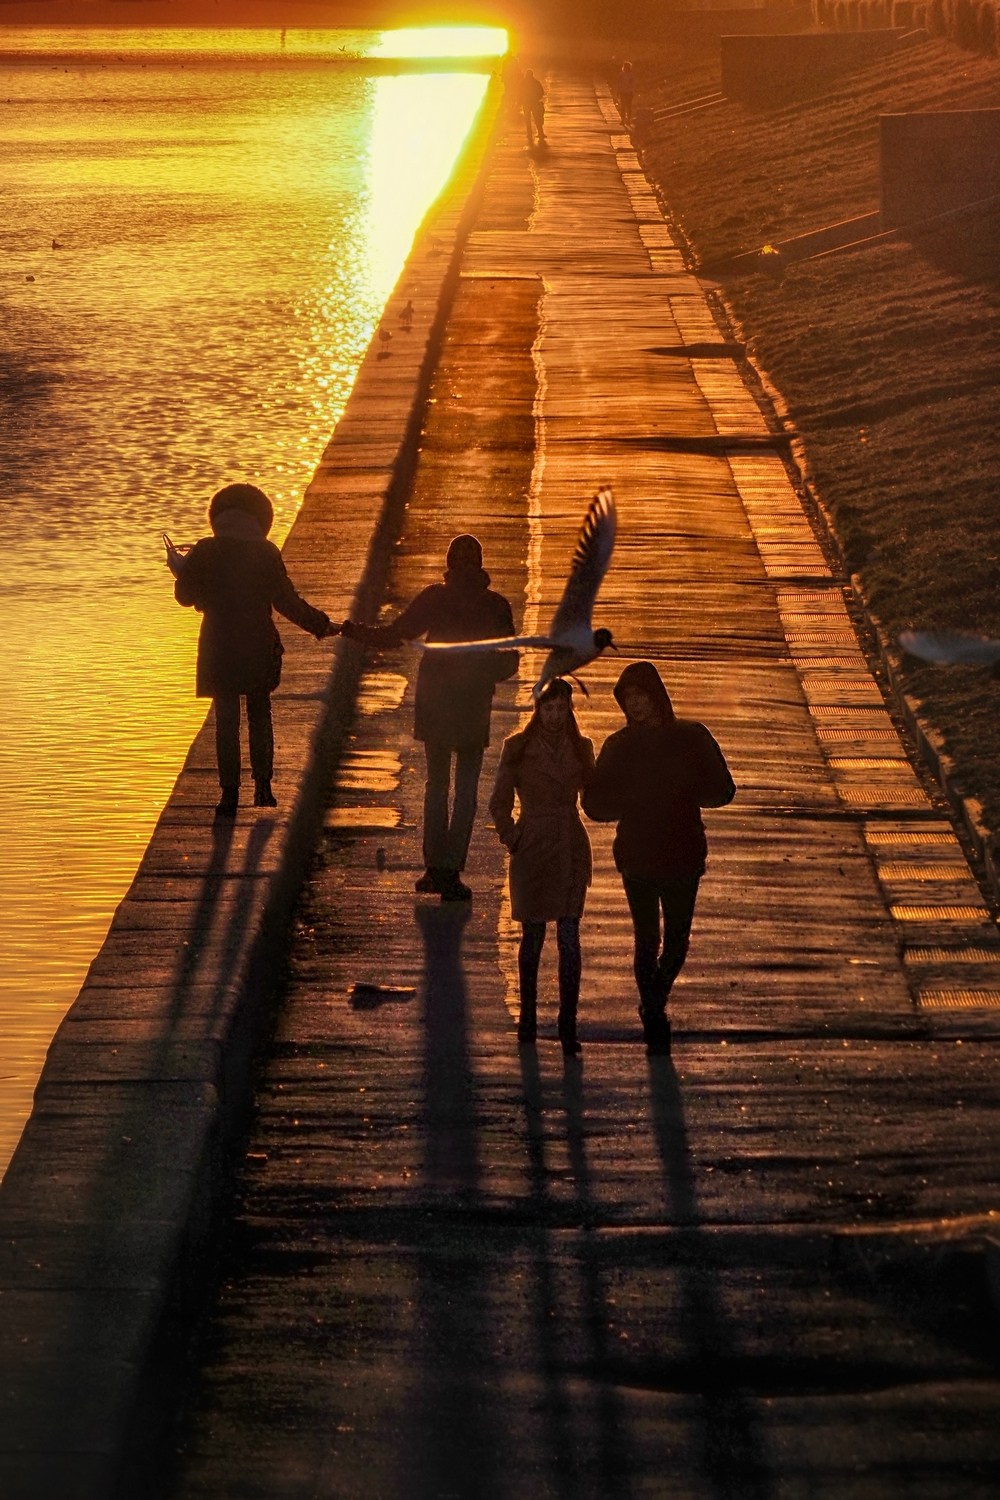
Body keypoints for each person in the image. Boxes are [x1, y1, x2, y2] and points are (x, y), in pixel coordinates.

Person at [340, 534, 517, 902]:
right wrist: (483, 675)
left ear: (449, 563)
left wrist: (352, 630)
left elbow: (395, 635)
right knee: (466, 791)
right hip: (473, 706)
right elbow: (510, 659)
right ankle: (451, 869)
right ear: (480, 564)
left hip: (436, 704)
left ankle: (434, 868)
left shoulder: (436, 597)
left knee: (436, 785)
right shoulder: (495, 605)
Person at [583, 661, 735, 1056]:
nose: (635, 705)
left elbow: (723, 789)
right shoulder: (619, 746)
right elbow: (595, 804)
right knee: (647, 938)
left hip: (683, 850)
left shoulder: (691, 737)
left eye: (641, 696)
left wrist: (682, 793)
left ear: (657, 697)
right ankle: (653, 1012)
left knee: (678, 940)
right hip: (638, 853)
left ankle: (654, 999)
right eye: (628, 699)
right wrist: (630, 801)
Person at [172, 482, 335, 819]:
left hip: (219, 646)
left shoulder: (205, 550)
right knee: (260, 714)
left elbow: (186, 597)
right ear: (261, 517)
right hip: (259, 643)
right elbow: (287, 602)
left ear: (217, 516)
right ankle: (263, 787)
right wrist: (321, 625)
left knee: (226, 721)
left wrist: (180, 571)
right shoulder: (266, 552)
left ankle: (229, 794)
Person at [489, 679, 595, 1055]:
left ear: (569, 708)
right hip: (532, 847)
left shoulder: (582, 747)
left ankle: (568, 1025)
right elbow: (499, 802)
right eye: (547, 708)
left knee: (569, 936)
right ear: (538, 710)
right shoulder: (517, 747)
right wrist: (512, 837)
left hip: (569, 844)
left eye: (560, 708)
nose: (554, 716)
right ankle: (528, 1021)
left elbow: (594, 800)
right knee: (532, 937)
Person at [520, 68, 546, 148]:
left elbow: (519, 93)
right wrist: (537, 98)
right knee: (537, 118)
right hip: (533, 103)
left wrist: (521, 100)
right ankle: (540, 133)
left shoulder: (523, 83)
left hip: (527, 103)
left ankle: (530, 133)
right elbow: (541, 92)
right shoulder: (536, 83)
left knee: (529, 119)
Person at [616, 60, 635, 127]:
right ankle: (626, 120)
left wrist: (618, 92)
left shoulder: (622, 75)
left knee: (624, 107)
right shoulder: (630, 75)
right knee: (627, 107)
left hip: (625, 92)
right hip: (627, 93)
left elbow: (619, 84)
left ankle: (624, 120)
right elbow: (632, 85)